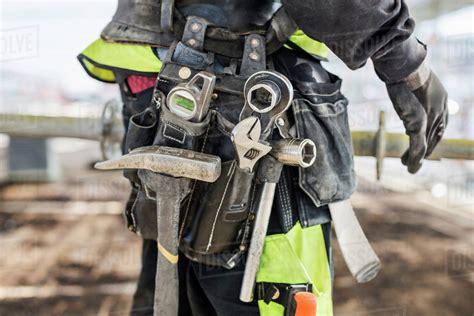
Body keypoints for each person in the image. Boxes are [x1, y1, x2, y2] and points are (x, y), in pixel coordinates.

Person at [78, 1, 448, 315]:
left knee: (175, 274)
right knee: (258, 289)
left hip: (171, 85)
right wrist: (404, 58)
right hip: (246, 84)